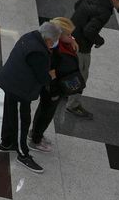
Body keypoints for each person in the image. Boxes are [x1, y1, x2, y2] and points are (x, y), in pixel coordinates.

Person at [63, 0, 119, 120]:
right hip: (81, 46)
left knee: (68, 67)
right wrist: (99, 40)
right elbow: (89, 31)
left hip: (70, 35)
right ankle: (72, 105)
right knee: (81, 75)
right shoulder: (105, 11)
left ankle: (64, 90)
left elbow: (77, 5)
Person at [0, 21, 60, 174]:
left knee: (10, 114)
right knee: (22, 121)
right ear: (48, 40)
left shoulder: (30, 36)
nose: (54, 44)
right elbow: (43, 78)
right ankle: (23, 154)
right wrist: (51, 75)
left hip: (10, 81)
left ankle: (6, 143)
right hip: (20, 90)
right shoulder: (38, 51)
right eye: (54, 41)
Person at [26, 17, 80, 153]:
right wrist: (54, 90)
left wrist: (72, 40)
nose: (71, 37)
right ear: (59, 35)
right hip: (53, 88)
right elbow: (51, 73)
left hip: (57, 85)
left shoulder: (61, 44)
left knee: (45, 111)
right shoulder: (54, 51)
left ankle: (35, 133)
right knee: (46, 113)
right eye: (68, 35)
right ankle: (35, 140)